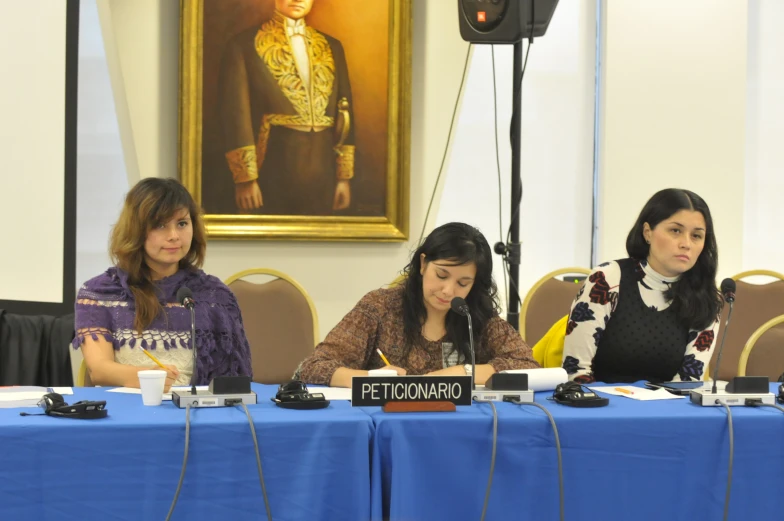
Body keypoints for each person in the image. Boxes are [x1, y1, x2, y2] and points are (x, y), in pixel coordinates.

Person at [296, 222, 539, 387]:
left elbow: (527, 365)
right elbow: (313, 368)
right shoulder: (380, 307)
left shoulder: (474, 314)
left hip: (461, 426)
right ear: (423, 264)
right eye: (441, 276)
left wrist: (462, 373)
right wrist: (369, 378)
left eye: (463, 283)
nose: (448, 291)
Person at [73, 178, 252, 391]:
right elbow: (99, 371)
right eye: (160, 225)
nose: (174, 236)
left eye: (182, 223)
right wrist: (147, 378)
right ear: (136, 230)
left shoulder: (216, 296)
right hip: (129, 413)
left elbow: (235, 378)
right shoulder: (99, 293)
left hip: (198, 415)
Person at [562, 188, 723, 384]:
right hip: (600, 406)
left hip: (667, 409)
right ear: (648, 232)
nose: (686, 244)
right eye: (675, 231)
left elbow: (688, 382)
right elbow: (575, 372)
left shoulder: (707, 298)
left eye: (696, 236)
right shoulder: (607, 280)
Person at [219, 0, 355, 215]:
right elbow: (235, 114)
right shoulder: (243, 45)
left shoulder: (332, 47)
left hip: (323, 169)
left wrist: (343, 178)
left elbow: (345, 113)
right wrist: (246, 179)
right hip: (272, 165)